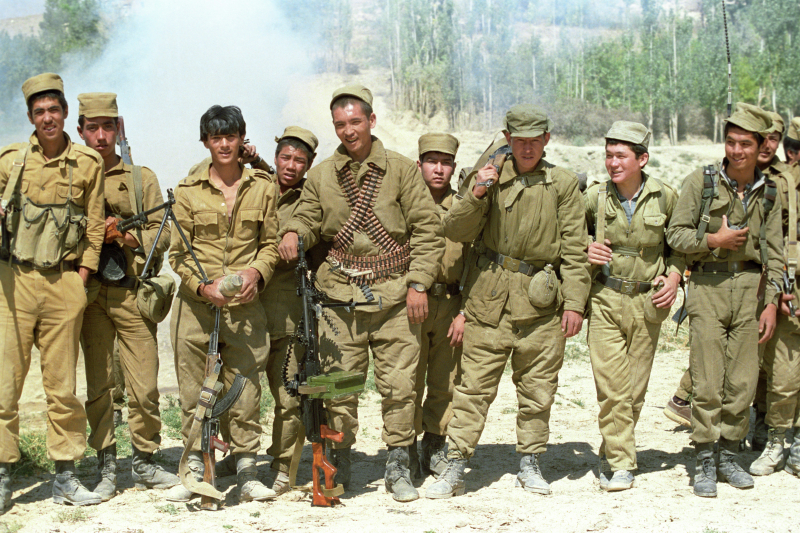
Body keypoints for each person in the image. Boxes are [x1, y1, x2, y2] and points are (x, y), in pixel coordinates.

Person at [278, 85, 443, 502]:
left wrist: (419, 282)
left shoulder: (403, 171)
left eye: (355, 122)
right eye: (340, 124)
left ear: (371, 121)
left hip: (394, 295)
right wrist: (296, 231)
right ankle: (341, 457)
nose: (348, 131)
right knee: (337, 387)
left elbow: (427, 229)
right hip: (338, 297)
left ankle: (398, 463)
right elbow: (308, 215)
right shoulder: (321, 176)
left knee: (400, 386)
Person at [427, 104, 590, 498]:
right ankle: (456, 462)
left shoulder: (563, 184)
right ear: (508, 139)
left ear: (546, 140)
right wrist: (479, 190)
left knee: (538, 388)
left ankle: (530, 462)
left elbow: (574, 248)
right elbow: (457, 229)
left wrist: (574, 304)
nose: (528, 148)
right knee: (472, 388)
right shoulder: (488, 177)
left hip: (541, 304)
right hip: (488, 299)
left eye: (535, 141)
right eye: (520, 141)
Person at [666, 102, 783, 498]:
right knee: (708, 379)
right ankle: (703, 456)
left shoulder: (769, 190)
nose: (737, 151)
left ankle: (729, 455)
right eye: (731, 142)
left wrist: (770, 302)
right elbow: (676, 235)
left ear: (761, 145)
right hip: (707, 288)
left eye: (746, 144)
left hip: (751, 291)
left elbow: (777, 252)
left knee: (743, 383)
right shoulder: (701, 183)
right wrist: (713, 240)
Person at [0, 73, 105, 507]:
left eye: (54, 110)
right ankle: (4, 474)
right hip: (15, 283)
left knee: (62, 388)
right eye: (39, 112)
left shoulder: (87, 163)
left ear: (65, 115)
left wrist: (80, 279)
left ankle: (65, 474)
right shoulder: (9, 161)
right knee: (5, 386)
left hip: (63, 283)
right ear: (30, 117)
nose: (47, 118)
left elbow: (95, 227)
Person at [165, 105, 279, 503]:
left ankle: (247, 471)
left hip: (246, 308)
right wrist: (202, 287)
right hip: (196, 309)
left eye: (231, 136)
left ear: (241, 139)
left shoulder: (263, 187)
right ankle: (195, 467)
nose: (224, 144)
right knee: (195, 389)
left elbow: (270, 245)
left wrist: (256, 275)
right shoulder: (186, 191)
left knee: (246, 387)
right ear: (206, 142)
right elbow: (177, 254)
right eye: (217, 138)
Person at [75, 92, 178, 501]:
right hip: (91, 294)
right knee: (99, 385)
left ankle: (145, 460)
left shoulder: (141, 179)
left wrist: (125, 235)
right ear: (80, 131)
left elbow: (164, 232)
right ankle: (105, 464)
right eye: (92, 128)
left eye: (108, 127)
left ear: (119, 130)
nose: (101, 137)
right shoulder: (73, 177)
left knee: (145, 385)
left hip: (131, 293)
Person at [584, 121, 683, 491]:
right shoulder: (594, 197)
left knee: (634, 390)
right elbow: (569, 234)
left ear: (642, 158)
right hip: (606, 298)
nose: (612, 163)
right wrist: (585, 248)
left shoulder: (666, 197)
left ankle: (612, 447)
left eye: (621, 155)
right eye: (608, 155)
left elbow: (680, 248)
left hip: (648, 302)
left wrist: (673, 278)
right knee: (612, 388)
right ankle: (623, 464)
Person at [258, 126, 319, 494]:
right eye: (285, 157)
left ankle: (284, 466)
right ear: (276, 156)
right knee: (239, 391)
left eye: (300, 160)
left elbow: (313, 226)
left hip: (287, 308)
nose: (291, 165)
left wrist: (296, 234)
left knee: (288, 394)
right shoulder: (255, 186)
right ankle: (241, 455)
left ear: (308, 164)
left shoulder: (311, 196)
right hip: (247, 305)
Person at [413, 133, 468, 479]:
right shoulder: (406, 205)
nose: (438, 169)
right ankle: (403, 447)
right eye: (431, 162)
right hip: (411, 303)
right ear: (419, 165)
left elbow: (476, 261)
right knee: (406, 380)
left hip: (450, 302)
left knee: (445, 381)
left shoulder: (465, 208)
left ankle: (434, 444)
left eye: (445, 163)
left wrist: (465, 311)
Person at [749, 112, 800, 477]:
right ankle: (776, 436)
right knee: (780, 371)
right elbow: (781, 242)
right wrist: (784, 285)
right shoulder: (780, 183)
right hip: (781, 285)